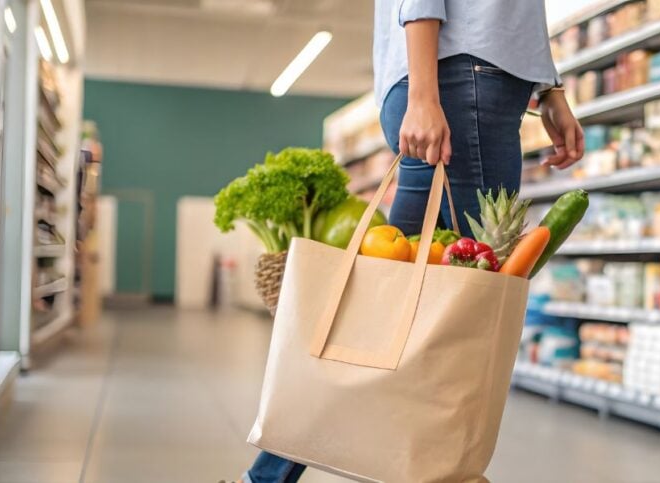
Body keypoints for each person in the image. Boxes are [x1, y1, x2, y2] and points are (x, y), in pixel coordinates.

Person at [233, 1, 583, 481]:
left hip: (462, 77)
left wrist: (549, 86)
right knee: (470, 312)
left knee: (383, 303)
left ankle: (268, 476)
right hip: (461, 79)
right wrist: (424, 94)